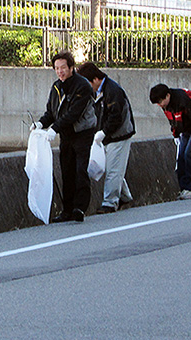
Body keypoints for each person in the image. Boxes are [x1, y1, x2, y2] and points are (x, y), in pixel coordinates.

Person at [32, 50, 97, 223]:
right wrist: (40, 124)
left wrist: (54, 128)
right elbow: (52, 112)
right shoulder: (56, 87)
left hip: (83, 133)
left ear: (71, 67)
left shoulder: (82, 85)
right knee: (66, 170)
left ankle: (79, 208)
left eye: (63, 68)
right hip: (66, 135)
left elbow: (74, 113)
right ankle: (67, 210)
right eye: (56, 68)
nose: (60, 71)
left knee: (80, 169)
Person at [77, 62, 135, 214]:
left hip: (119, 135)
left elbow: (116, 116)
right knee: (112, 167)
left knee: (113, 170)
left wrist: (103, 132)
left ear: (95, 79)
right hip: (108, 136)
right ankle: (125, 197)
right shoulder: (98, 92)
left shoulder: (112, 90)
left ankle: (110, 202)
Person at [149, 84, 191, 200]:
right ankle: (184, 188)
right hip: (184, 128)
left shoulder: (184, 99)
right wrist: (175, 135)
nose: (160, 105)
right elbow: (172, 120)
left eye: (161, 101)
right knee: (181, 156)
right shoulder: (166, 105)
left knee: (189, 154)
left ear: (168, 95)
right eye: (158, 103)